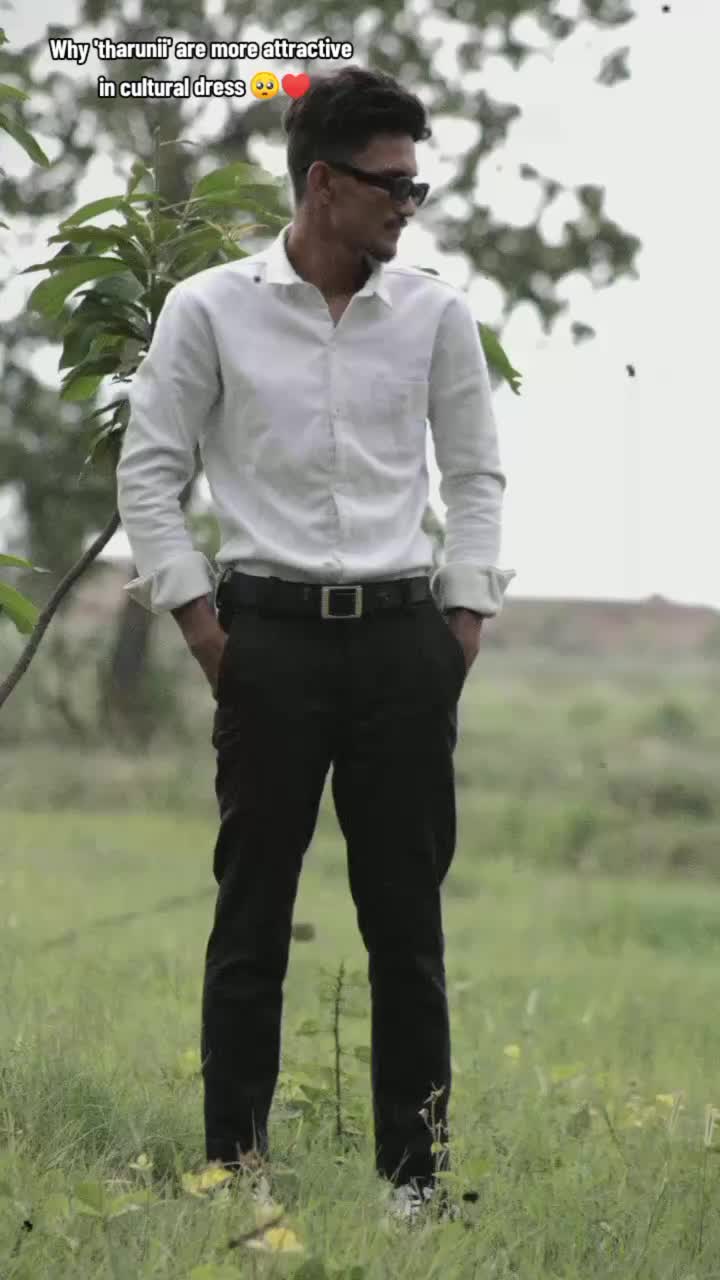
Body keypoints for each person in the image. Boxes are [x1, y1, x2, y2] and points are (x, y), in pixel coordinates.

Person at [115, 64, 516, 1219]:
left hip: (403, 647)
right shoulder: (208, 309)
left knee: (408, 926)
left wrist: (462, 623)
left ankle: (414, 1184)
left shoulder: (436, 314)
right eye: (394, 184)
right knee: (250, 919)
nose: (410, 204)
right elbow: (150, 471)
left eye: (417, 183)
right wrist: (202, 627)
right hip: (267, 645)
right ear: (324, 184)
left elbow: (475, 476)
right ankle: (235, 1172)